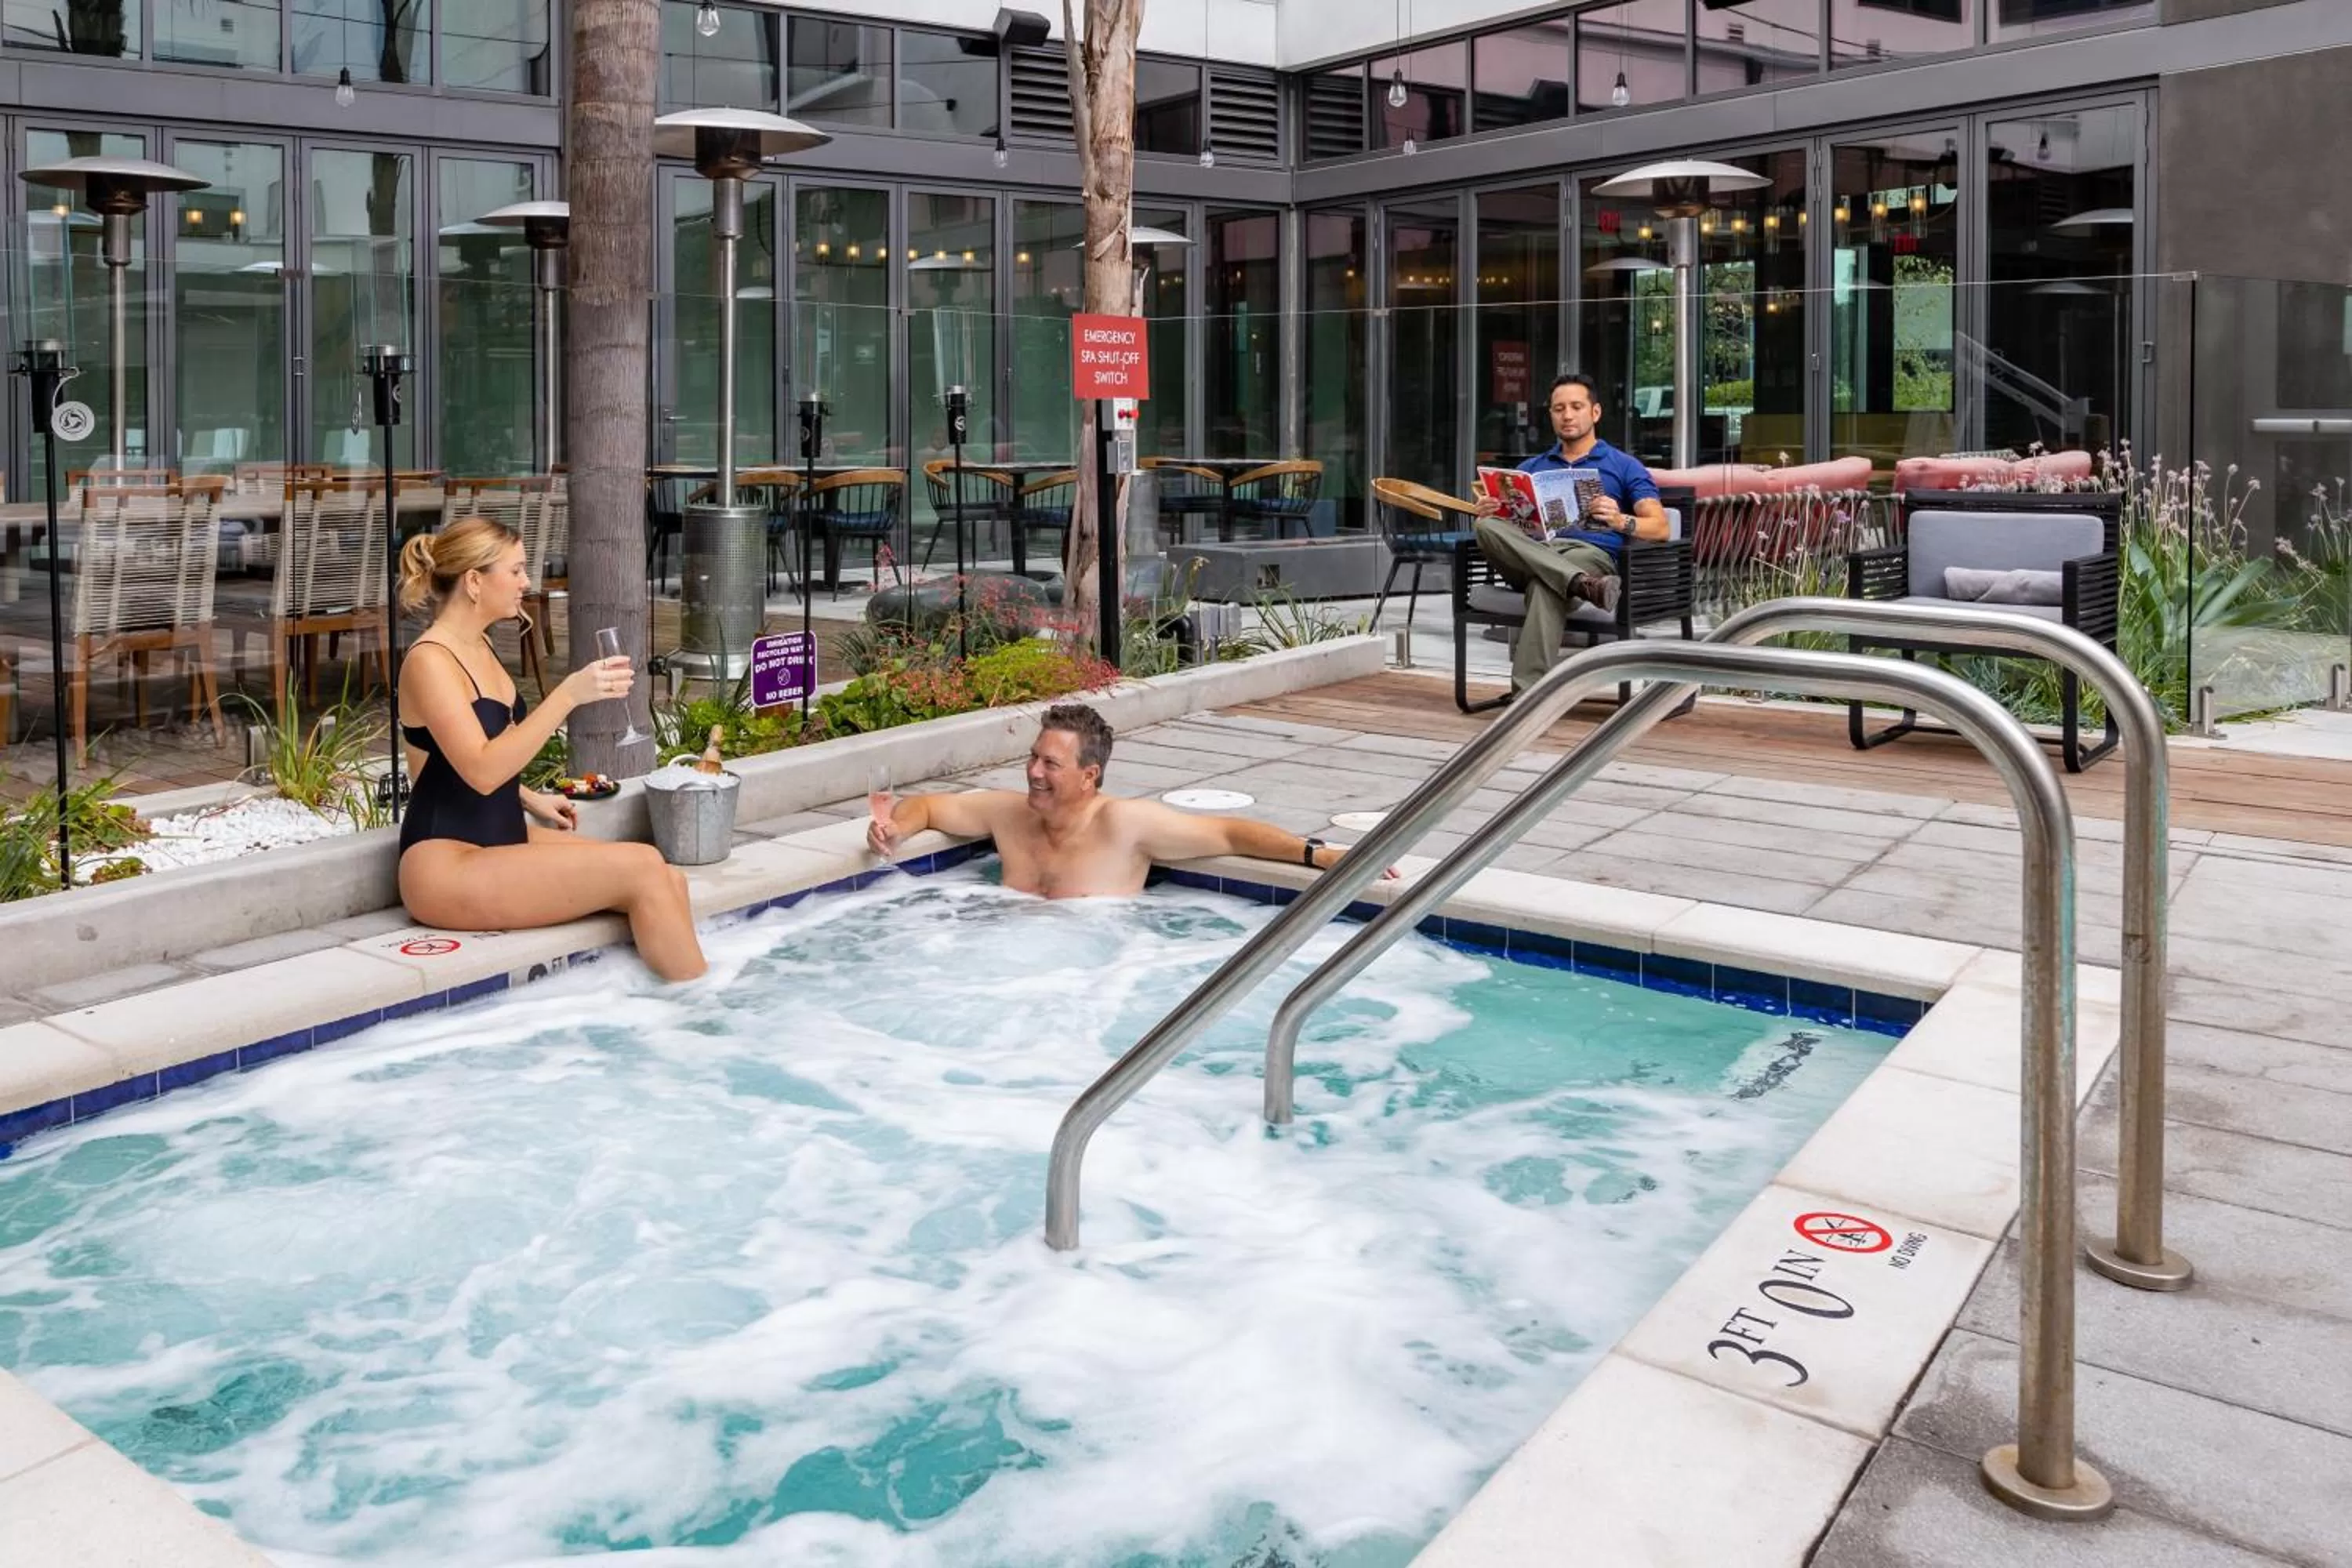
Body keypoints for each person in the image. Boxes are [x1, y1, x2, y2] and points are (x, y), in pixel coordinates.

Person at [395, 516, 708, 982]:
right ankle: (704, 1013)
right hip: (446, 861)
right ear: (475, 582)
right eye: (517, 570)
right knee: (643, 868)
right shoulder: (429, 661)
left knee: (667, 876)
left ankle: (678, 1000)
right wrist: (569, 695)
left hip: (499, 834)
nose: (527, 582)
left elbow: (460, 755)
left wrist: (528, 797)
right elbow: (480, 770)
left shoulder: (478, 644)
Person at [865, 702, 1389, 899]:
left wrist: (1316, 855)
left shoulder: (1125, 825)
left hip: (1096, 986)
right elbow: (931, 806)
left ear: (1090, 775)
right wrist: (897, 829)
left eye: (1051, 765)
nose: (1033, 773)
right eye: (1034, 758)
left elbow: (1230, 833)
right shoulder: (1008, 814)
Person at [1473, 371, 1670, 695]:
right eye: (1558, 408)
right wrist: (1491, 513)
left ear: (1595, 412)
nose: (1567, 415)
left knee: (1545, 585)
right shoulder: (1530, 469)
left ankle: (1527, 696)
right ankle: (1579, 584)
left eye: (1576, 406)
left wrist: (1620, 520)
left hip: (1587, 555)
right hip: (1533, 556)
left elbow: (1660, 527)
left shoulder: (1624, 465)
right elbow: (1506, 531)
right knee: (1484, 525)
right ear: (1550, 414)